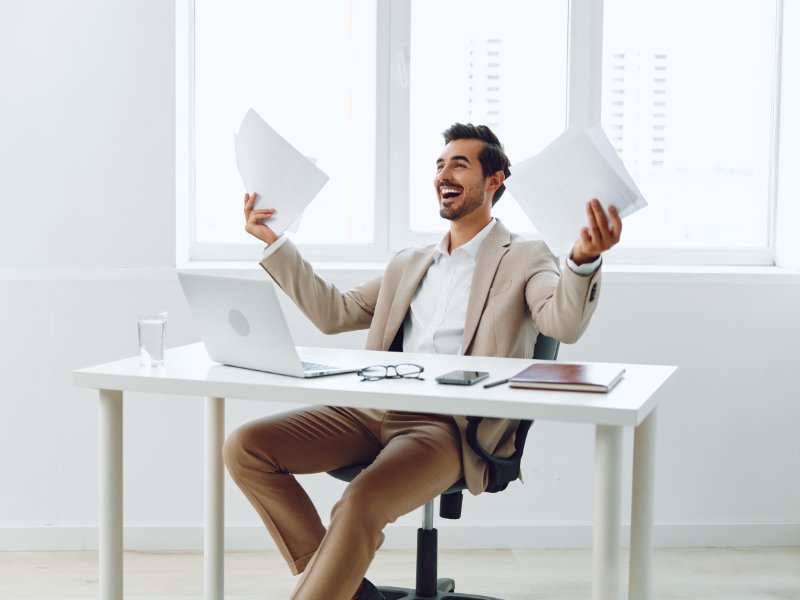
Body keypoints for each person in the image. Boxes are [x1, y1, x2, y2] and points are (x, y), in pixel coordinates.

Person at [223, 123, 622, 600]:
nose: (443, 174)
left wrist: (582, 261)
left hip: (448, 427)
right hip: (370, 410)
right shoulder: (410, 262)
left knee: (359, 502)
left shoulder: (526, 257)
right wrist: (273, 242)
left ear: (494, 180)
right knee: (246, 447)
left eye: (460, 164)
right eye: (439, 165)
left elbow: (563, 323)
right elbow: (334, 314)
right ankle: (349, 589)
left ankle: (329, 587)